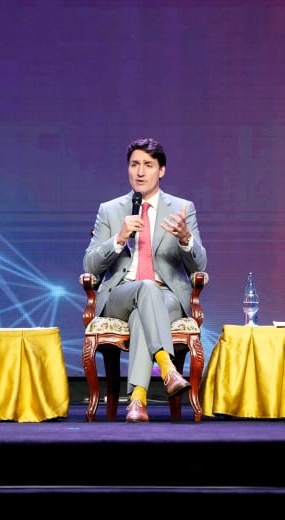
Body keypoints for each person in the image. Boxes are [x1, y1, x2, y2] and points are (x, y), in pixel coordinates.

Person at [83, 137, 207, 422]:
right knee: (143, 293)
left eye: (148, 165)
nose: (140, 172)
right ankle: (167, 367)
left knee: (145, 309)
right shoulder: (111, 209)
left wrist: (186, 239)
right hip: (120, 295)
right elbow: (90, 264)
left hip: (166, 296)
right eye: (134, 164)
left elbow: (199, 264)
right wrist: (119, 238)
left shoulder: (182, 208)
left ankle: (137, 399)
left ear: (161, 170)